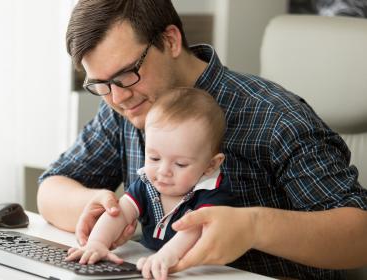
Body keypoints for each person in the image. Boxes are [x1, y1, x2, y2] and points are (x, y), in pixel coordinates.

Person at [37, 0, 367, 279]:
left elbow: (359, 233)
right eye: (101, 84)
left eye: (125, 75)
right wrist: (103, 208)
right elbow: (52, 187)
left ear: (170, 40)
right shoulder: (124, 105)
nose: (117, 97)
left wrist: (254, 227)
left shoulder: (274, 117)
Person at [65, 88, 233, 279]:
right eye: (153, 158)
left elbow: (193, 231)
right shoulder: (147, 183)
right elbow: (119, 212)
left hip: (201, 273)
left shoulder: (213, 193)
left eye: (180, 164)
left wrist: (165, 256)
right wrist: (98, 242)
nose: (163, 171)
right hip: (150, 266)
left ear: (210, 165)